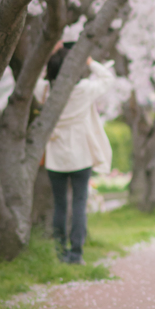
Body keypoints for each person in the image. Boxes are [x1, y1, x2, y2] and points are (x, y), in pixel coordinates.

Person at [41, 45, 114, 264]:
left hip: (55, 158)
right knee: (79, 204)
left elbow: (35, 81)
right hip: (81, 155)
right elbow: (107, 79)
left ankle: (60, 251)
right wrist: (89, 60)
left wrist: (50, 55)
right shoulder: (83, 89)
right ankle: (77, 254)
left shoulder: (46, 90)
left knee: (60, 205)